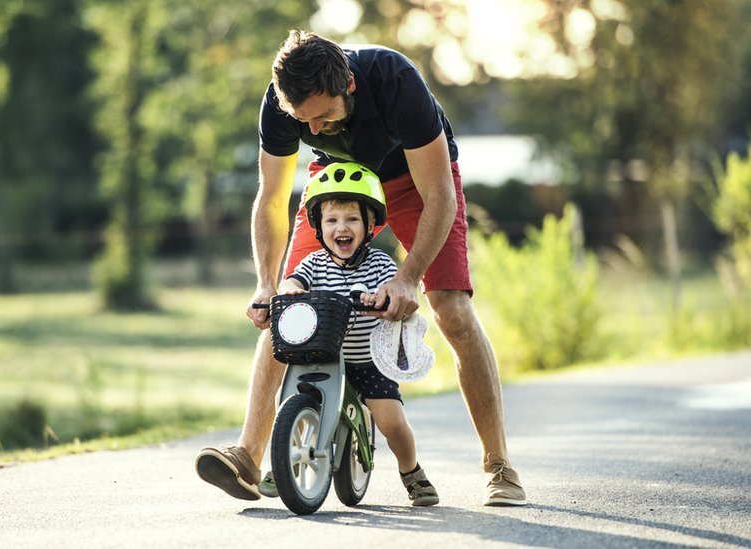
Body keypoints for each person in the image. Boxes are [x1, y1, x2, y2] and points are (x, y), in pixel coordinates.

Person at [195, 30, 526, 506]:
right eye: (305, 122)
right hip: (340, 184)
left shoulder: (395, 81)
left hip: (416, 180)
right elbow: (270, 199)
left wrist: (407, 277)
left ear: (348, 84)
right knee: (288, 307)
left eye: (325, 115)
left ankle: (499, 465)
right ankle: (248, 455)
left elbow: (440, 197)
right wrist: (267, 285)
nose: (318, 129)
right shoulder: (283, 103)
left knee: (451, 309)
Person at [263, 161, 438, 506]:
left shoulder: (380, 265)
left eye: (352, 219)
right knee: (285, 399)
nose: (340, 228)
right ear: (318, 226)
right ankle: (283, 458)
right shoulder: (313, 264)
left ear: (370, 224)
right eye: (331, 220)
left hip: (367, 362)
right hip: (323, 356)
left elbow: (395, 289)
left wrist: (384, 298)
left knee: (391, 421)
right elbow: (294, 280)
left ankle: (411, 471)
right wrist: (289, 289)